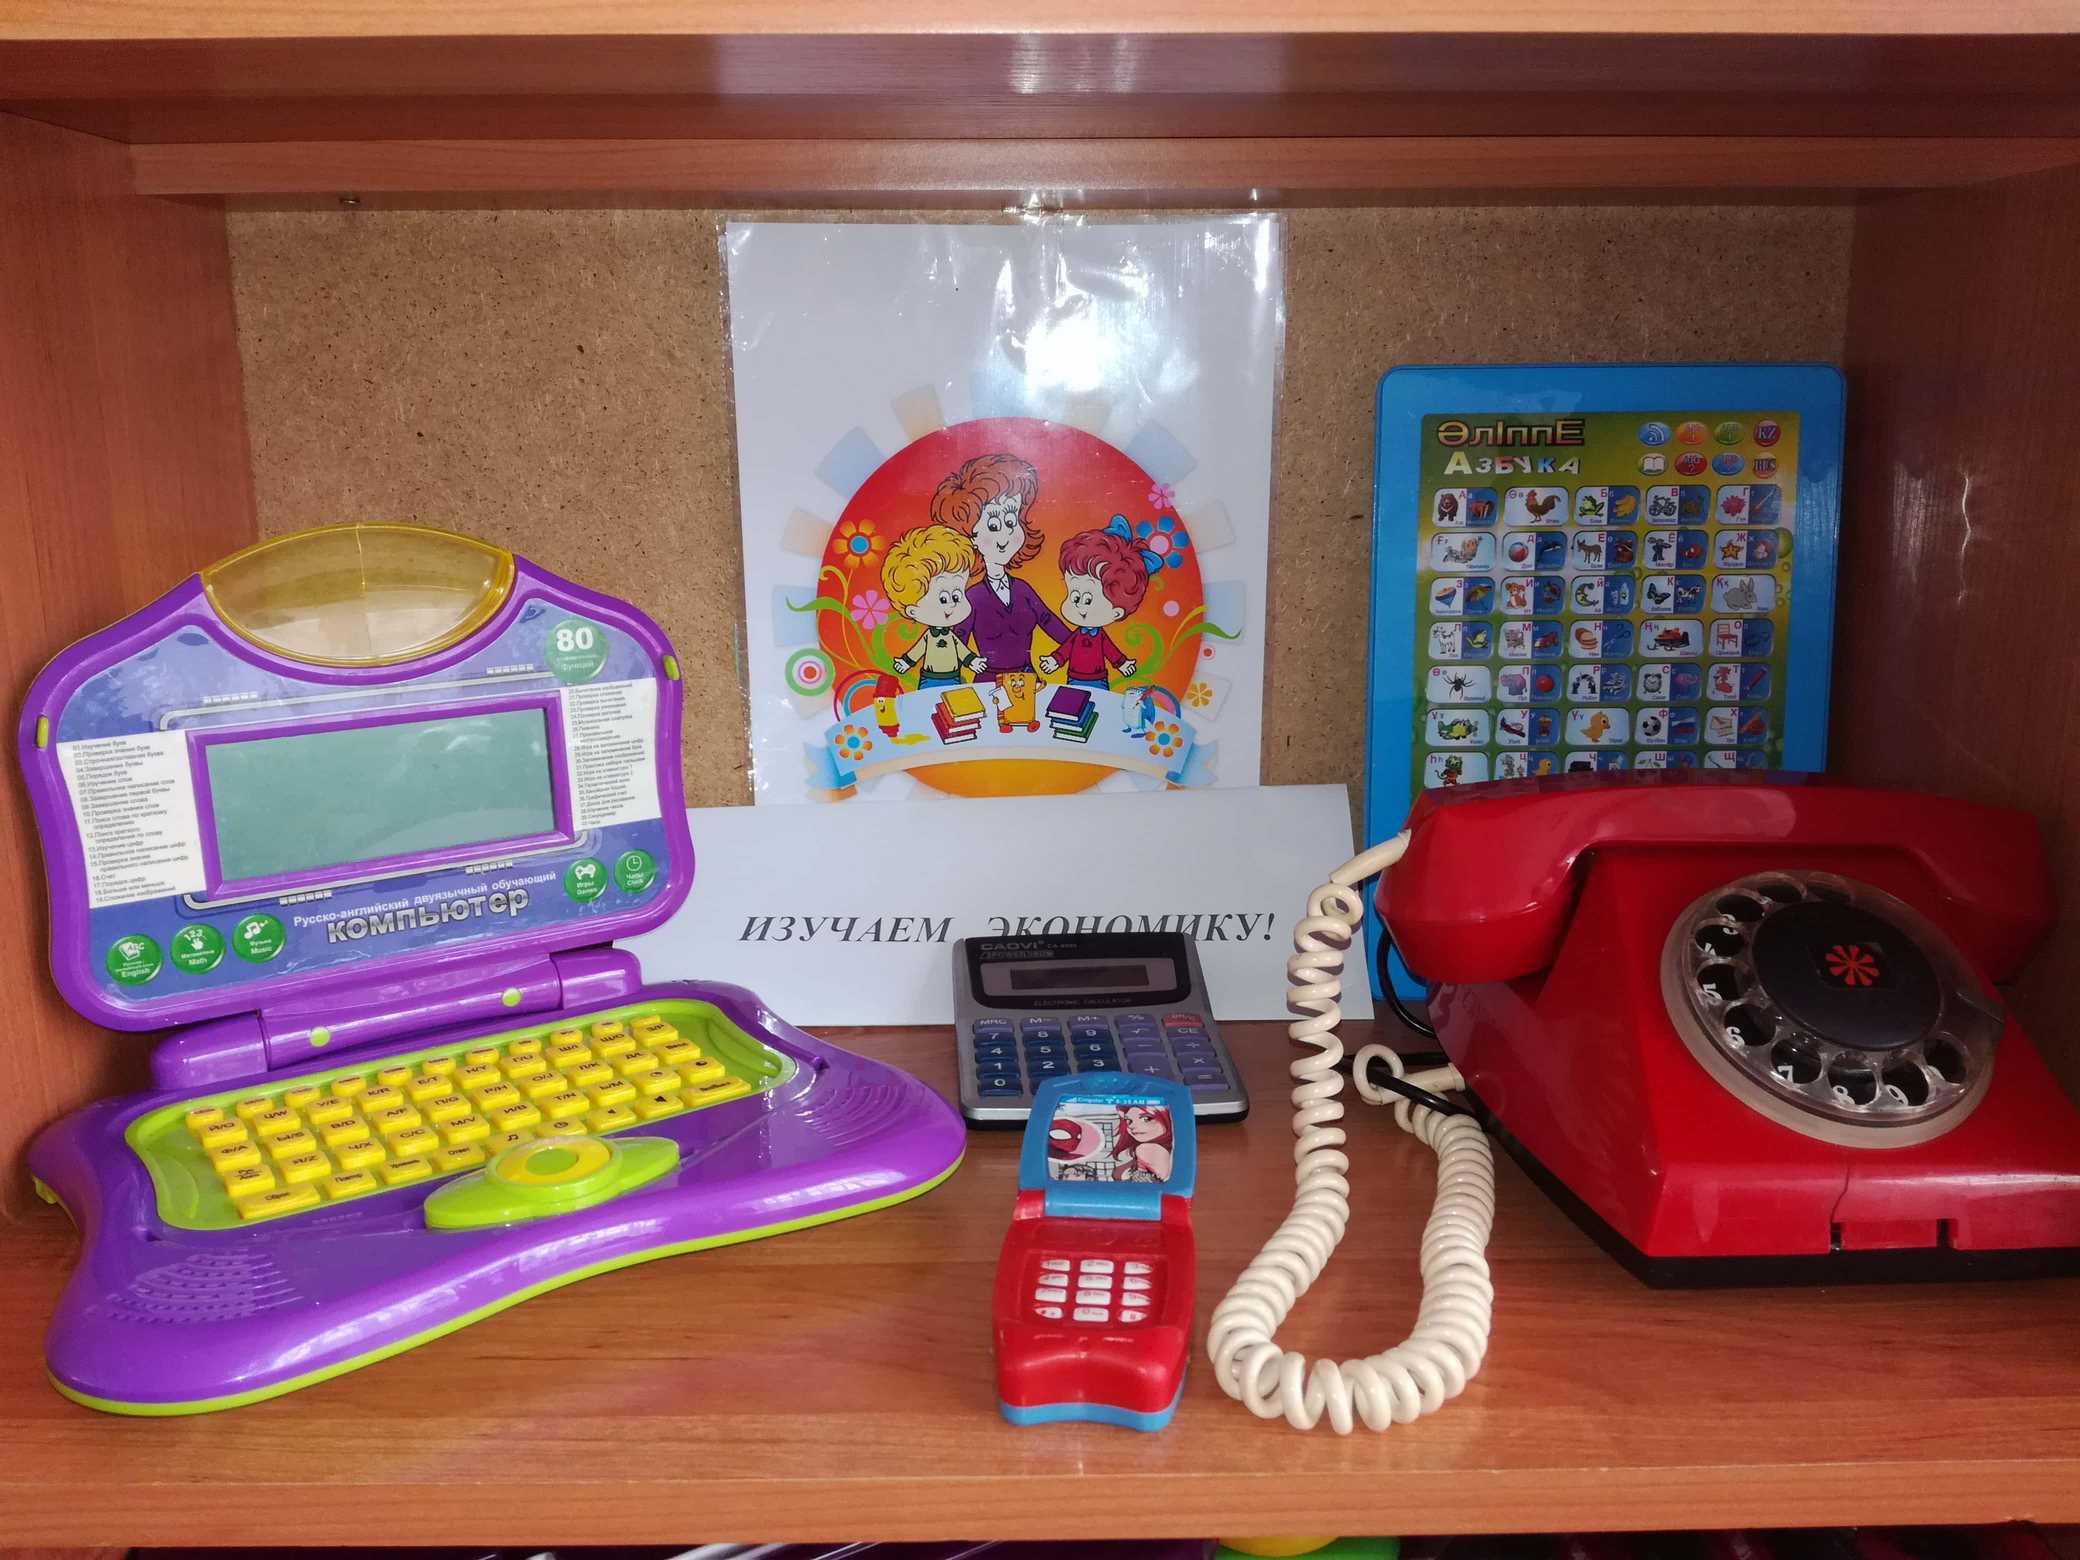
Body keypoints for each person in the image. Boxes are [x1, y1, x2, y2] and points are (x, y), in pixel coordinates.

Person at [931, 452, 1065, 679]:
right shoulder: (972, 597)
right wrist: (959, 668)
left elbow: (1049, 622)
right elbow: (957, 640)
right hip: (987, 683)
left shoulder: (1023, 589)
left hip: (1026, 680)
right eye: (993, 525)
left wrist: (1072, 649)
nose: (1005, 535)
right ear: (970, 536)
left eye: (1011, 521)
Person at [883, 524, 985, 689]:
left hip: (953, 678)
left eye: (957, 595)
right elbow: (917, 651)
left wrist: (972, 661)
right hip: (929, 680)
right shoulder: (928, 637)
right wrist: (905, 662)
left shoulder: (951, 636)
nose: (952, 604)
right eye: (943, 599)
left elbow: (962, 651)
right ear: (913, 610)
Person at [1055, 528, 1145, 689]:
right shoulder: (1077, 635)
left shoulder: (1100, 637)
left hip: (1098, 681)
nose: (1078, 605)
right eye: (1074, 597)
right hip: (1073, 679)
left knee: (1100, 703)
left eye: (1088, 600)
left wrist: (1122, 664)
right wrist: (1054, 660)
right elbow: (1065, 649)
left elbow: (1111, 651)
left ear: (1116, 612)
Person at [1113, 1104, 1173, 1183]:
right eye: (1129, 1121)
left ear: (1166, 1118)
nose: (1131, 1126)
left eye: (1146, 1119)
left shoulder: (1146, 1149)